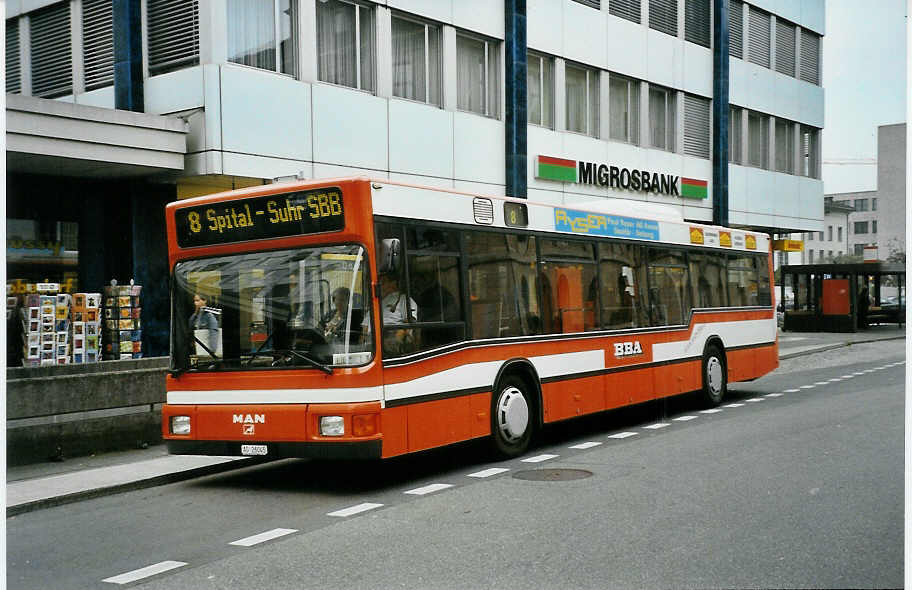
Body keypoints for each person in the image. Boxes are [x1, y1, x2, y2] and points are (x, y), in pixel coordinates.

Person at [380, 273, 416, 355]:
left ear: (393, 283)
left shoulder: (404, 299)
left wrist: (396, 340)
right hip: (373, 341)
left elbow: (408, 323)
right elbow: (365, 327)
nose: (380, 286)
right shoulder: (378, 303)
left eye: (383, 282)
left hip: (391, 339)